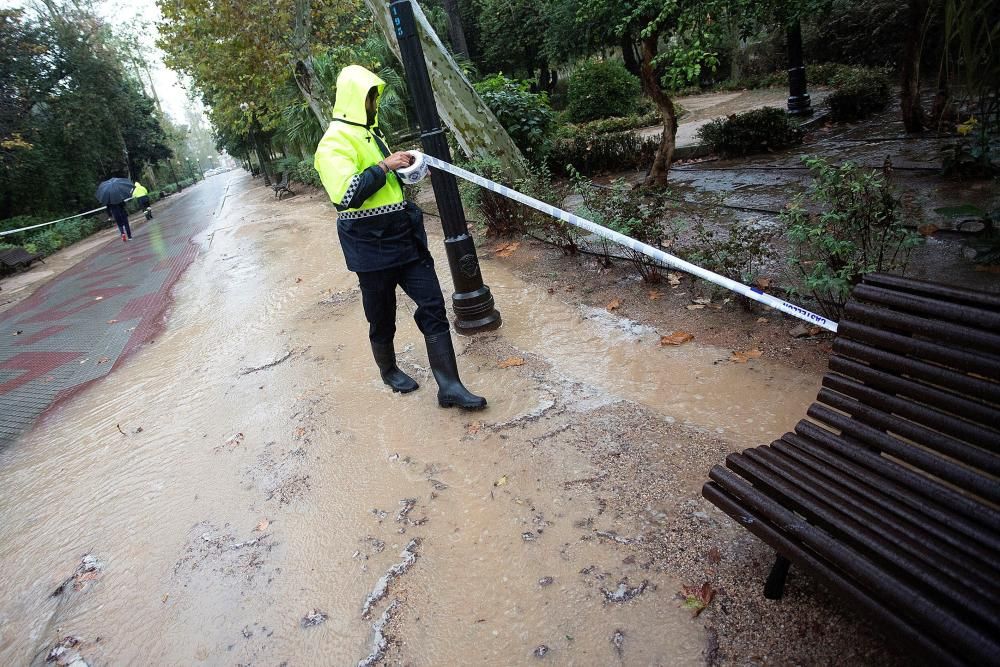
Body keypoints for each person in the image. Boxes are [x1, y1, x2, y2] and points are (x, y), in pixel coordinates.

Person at [314, 65, 486, 410]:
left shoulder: (371, 135)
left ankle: (449, 386)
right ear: (354, 98)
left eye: (375, 97)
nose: (374, 104)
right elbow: (347, 195)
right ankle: (389, 370)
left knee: (433, 306)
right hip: (368, 246)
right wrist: (385, 166)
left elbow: (387, 187)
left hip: (404, 238)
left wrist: (407, 167)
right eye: (370, 97)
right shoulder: (333, 142)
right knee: (381, 315)